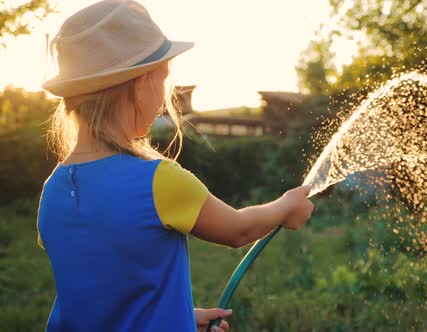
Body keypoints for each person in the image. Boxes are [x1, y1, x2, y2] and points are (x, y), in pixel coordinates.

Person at [36, 1, 314, 331]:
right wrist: (285, 206)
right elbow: (238, 229)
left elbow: (102, 292)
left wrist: (178, 315)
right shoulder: (157, 180)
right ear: (139, 84)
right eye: (163, 78)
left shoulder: (53, 190)